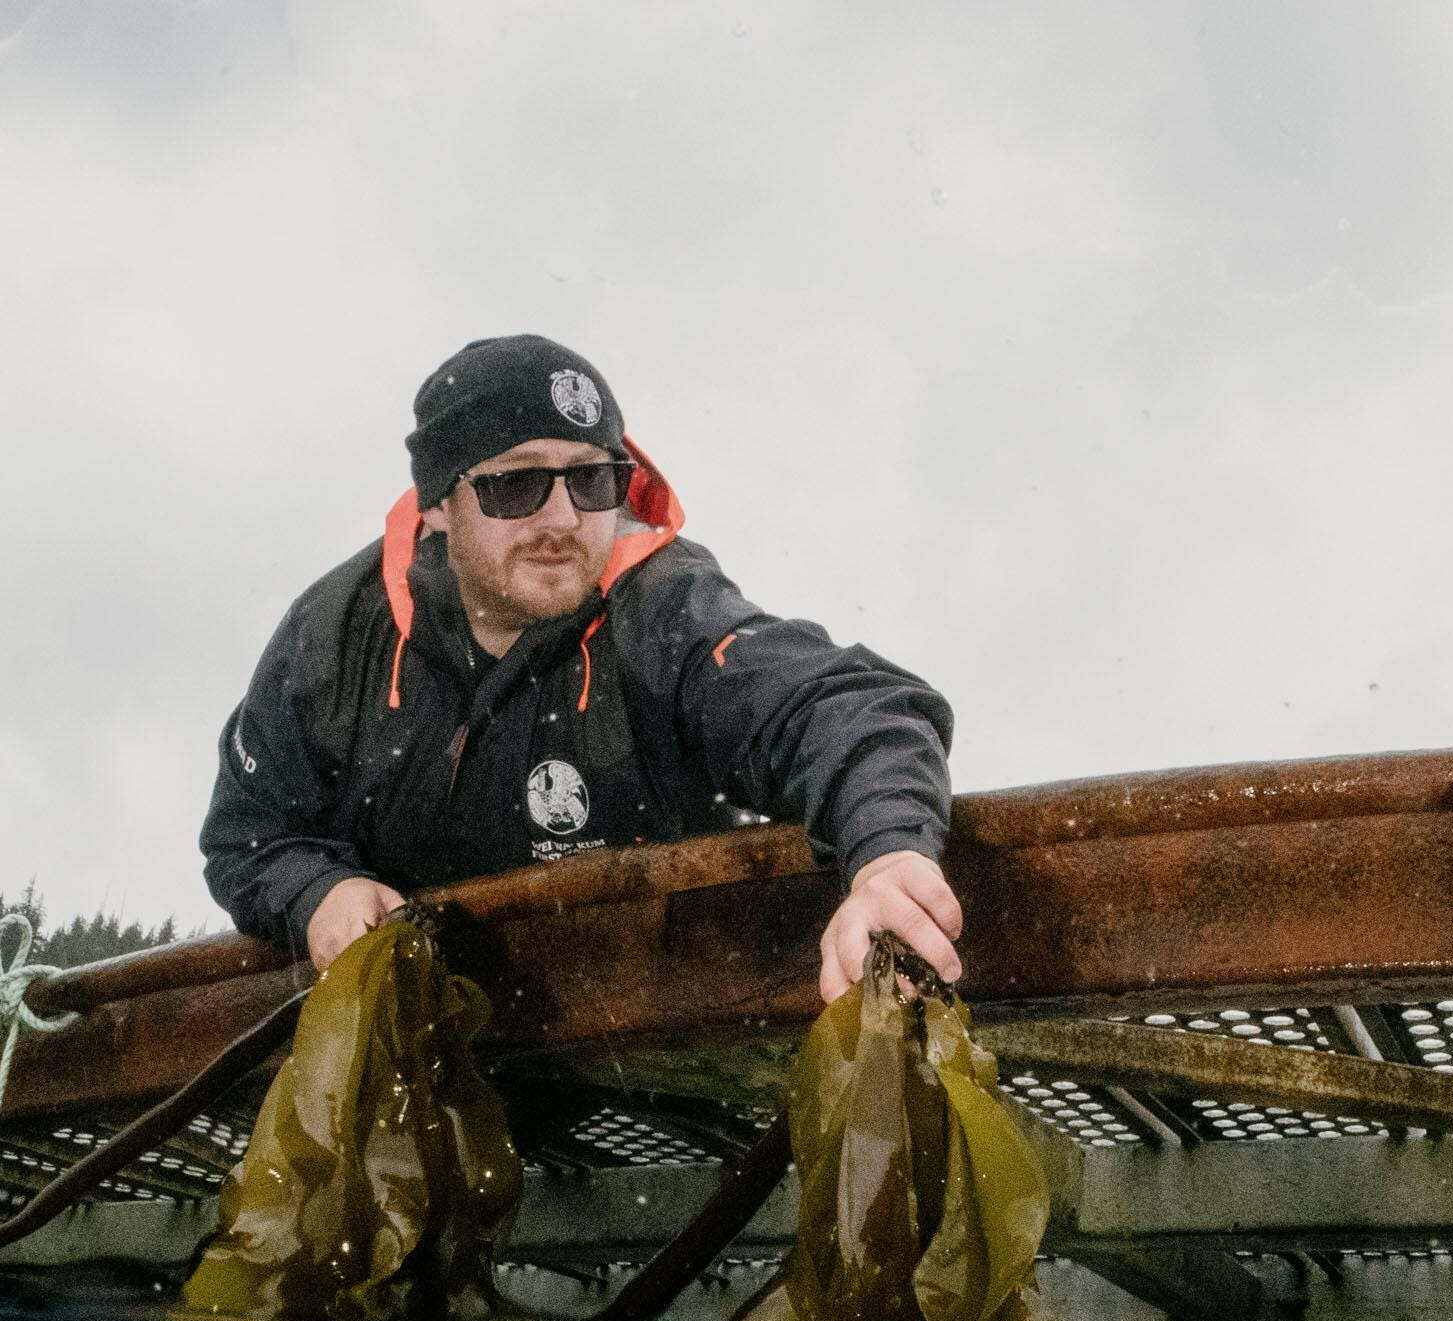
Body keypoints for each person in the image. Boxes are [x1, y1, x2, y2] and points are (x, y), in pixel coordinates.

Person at [203, 334, 963, 1002]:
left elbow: (849, 710)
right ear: (437, 505)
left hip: (645, 1027)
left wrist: (887, 859)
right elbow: (248, 834)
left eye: (592, 480)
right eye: (516, 485)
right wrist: (316, 892)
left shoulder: (663, 609)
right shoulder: (337, 640)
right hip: (427, 1052)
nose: (562, 520)